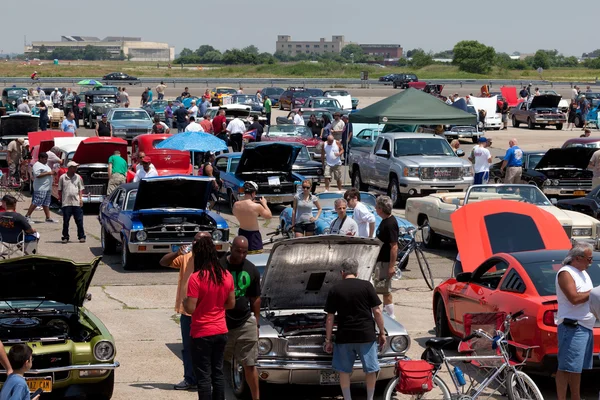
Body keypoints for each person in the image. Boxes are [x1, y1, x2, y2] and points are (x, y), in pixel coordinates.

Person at [324, 258, 386, 400]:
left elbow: (329, 318)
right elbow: (377, 311)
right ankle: (369, 398)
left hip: (344, 336)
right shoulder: (367, 286)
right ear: (357, 272)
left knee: (344, 371)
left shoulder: (335, 289)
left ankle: (347, 398)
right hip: (366, 335)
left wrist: (328, 340)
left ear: (342, 272)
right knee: (370, 370)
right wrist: (382, 332)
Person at [183, 236, 235, 400]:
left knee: (204, 376)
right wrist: (216, 307)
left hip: (202, 332)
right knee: (217, 373)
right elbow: (231, 304)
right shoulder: (226, 275)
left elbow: (191, 308)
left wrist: (185, 303)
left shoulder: (196, 277)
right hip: (220, 330)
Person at [159, 232, 210, 390]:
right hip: (188, 313)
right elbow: (163, 262)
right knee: (188, 347)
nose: (194, 243)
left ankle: (205, 381)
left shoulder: (212, 262)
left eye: (199, 241)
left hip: (206, 313)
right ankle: (190, 379)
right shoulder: (186, 258)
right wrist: (177, 252)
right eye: (194, 240)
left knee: (206, 349)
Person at [221, 237, 261, 400]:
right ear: (231, 248)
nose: (242, 255)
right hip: (221, 322)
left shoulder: (251, 269)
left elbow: (255, 298)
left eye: (245, 252)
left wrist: (256, 322)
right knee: (220, 363)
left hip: (245, 322)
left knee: (249, 364)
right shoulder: (219, 266)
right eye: (238, 251)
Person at [555, 243, 595, 400]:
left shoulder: (583, 272)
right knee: (565, 368)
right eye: (589, 259)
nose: (590, 262)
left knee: (576, 368)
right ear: (578, 258)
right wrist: (595, 292)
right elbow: (574, 298)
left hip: (585, 326)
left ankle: (576, 397)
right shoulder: (565, 273)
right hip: (572, 327)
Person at [373, 196, 398, 318]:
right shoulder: (384, 221)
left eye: (377, 207)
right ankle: (386, 312)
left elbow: (394, 246)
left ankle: (390, 315)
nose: (375, 209)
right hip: (380, 261)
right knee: (380, 287)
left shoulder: (390, 223)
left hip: (386, 262)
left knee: (385, 289)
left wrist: (391, 266)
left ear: (381, 209)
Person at [232, 181, 272, 253]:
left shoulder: (236, 204)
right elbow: (269, 216)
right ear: (253, 193)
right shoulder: (257, 206)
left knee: (242, 256)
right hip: (254, 236)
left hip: (242, 233)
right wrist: (264, 203)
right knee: (256, 258)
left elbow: (235, 213)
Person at [24, 152, 57, 224]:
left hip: (47, 187)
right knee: (37, 201)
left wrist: (52, 173)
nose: (46, 160)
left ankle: (48, 218)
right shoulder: (37, 165)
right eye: (45, 159)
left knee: (46, 203)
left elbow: (48, 173)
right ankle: (27, 216)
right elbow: (37, 175)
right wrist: (49, 173)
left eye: (46, 159)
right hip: (41, 187)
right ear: (40, 158)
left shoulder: (46, 165)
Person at [58, 161, 85, 243]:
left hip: (76, 202)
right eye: (74, 167)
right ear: (69, 168)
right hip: (66, 202)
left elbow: (80, 189)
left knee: (79, 221)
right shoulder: (62, 177)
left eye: (76, 167)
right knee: (66, 221)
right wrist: (60, 200)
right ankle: (65, 237)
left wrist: (81, 199)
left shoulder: (78, 177)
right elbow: (60, 190)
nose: (76, 168)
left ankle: (81, 236)